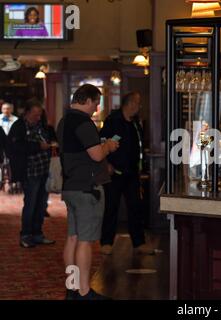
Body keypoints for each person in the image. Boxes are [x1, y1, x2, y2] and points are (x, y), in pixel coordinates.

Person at [57, 84, 119, 300]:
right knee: (85, 240)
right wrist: (108, 146)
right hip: (87, 189)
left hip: (71, 186)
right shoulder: (83, 122)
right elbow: (95, 155)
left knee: (72, 238)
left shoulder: (64, 121)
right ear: (89, 100)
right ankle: (83, 291)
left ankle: (72, 287)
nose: (96, 108)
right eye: (96, 103)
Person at [99, 92, 154, 255]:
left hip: (132, 173)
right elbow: (103, 142)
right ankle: (106, 242)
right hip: (114, 172)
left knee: (135, 207)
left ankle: (138, 243)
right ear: (129, 104)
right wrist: (106, 163)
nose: (139, 107)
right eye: (138, 104)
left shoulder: (135, 123)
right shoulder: (113, 121)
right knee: (111, 207)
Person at [7, 99, 55, 248]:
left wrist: (51, 143)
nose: (38, 118)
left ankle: (38, 234)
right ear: (27, 113)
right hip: (29, 171)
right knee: (30, 204)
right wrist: (38, 146)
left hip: (44, 170)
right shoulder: (19, 126)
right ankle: (26, 235)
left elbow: (51, 138)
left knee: (41, 205)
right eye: (35, 115)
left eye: (40, 115)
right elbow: (14, 148)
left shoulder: (42, 125)